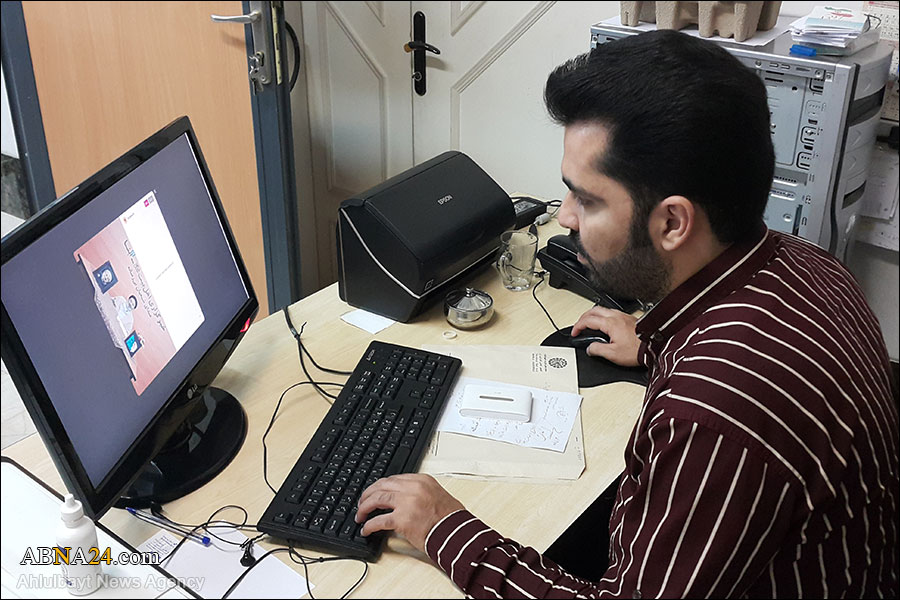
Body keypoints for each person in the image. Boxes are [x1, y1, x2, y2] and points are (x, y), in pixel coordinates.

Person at [356, 29, 899, 598]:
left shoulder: (712, 415)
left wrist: (446, 530)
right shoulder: (808, 264)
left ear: (671, 223)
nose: (564, 217)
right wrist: (655, 344)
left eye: (587, 199)